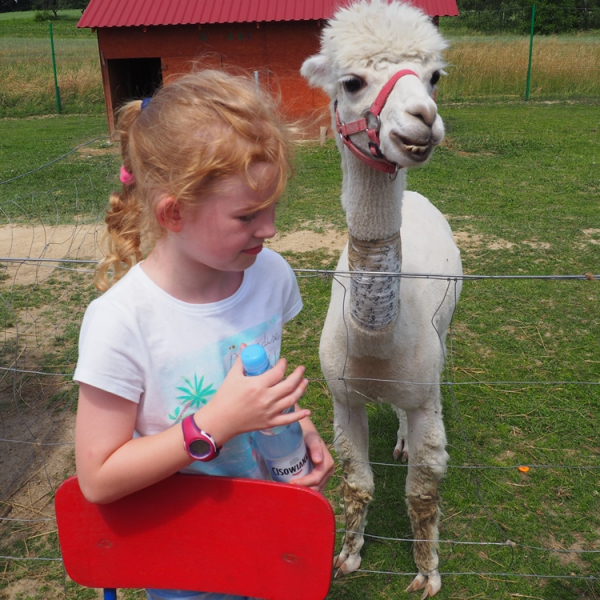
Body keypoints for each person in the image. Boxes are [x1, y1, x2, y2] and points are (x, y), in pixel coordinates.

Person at [73, 69, 335, 600]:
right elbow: (98, 477)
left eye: (274, 205)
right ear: (174, 213)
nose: (270, 228)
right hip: (186, 556)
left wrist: (299, 432)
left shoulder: (269, 276)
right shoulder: (121, 321)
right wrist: (214, 423)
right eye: (247, 215)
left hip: (269, 531)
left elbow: (261, 386)